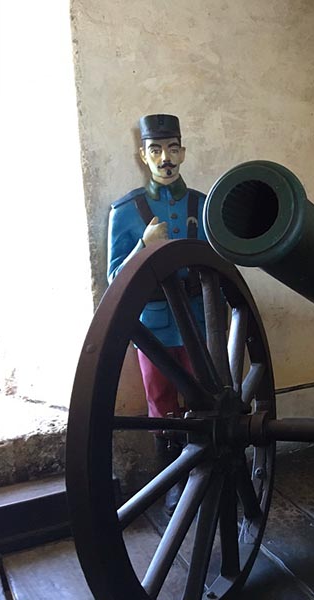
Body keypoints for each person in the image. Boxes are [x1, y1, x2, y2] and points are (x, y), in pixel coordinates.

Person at [107, 114, 207, 516]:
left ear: (182, 151)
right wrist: (143, 248)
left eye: (172, 148)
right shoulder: (127, 210)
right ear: (143, 156)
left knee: (204, 397)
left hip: (200, 320)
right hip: (155, 326)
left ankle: (206, 469)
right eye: (155, 150)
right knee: (161, 404)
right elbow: (115, 276)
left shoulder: (201, 203)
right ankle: (173, 480)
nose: (165, 158)